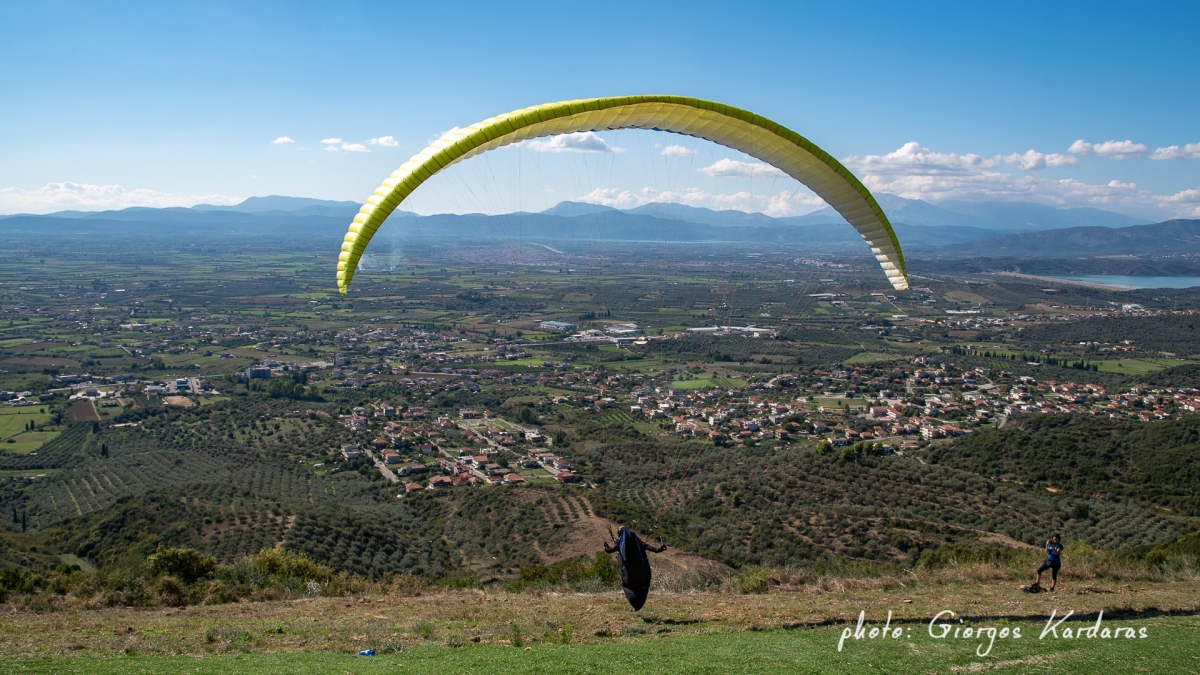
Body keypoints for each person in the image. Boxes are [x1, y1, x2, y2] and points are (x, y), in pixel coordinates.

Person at [604, 525, 667, 611]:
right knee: (644, 583)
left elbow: (609, 551)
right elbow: (652, 549)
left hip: (629, 577)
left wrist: (607, 548)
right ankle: (640, 601)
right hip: (642, 573)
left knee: (625, 585)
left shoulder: (620, 543)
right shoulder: (637, 541)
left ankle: (635, 602)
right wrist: (660, 549)